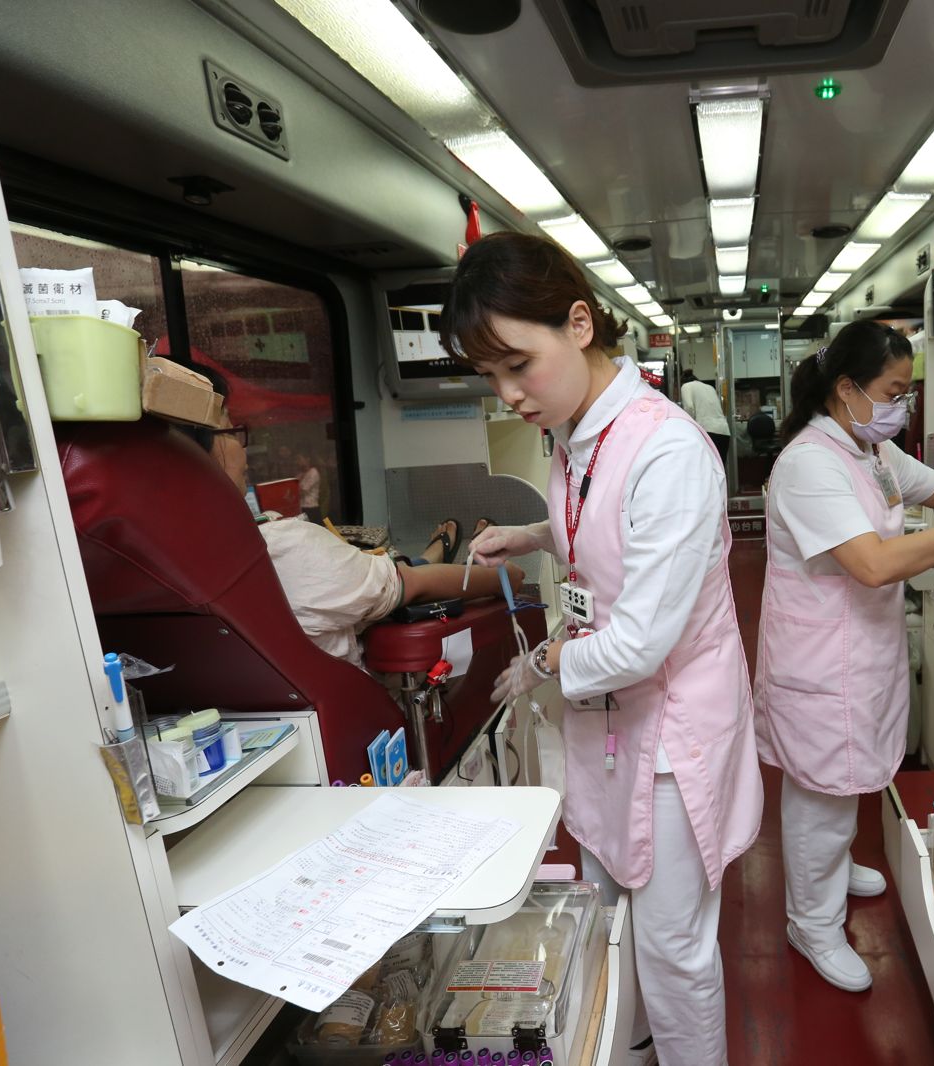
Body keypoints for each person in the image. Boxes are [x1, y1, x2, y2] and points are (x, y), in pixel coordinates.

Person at [455, 232, 762, 1066]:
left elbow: (635, 645)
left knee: (672, 944)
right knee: (604, 911)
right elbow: (598, 528)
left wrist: (542, 663)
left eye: (517, 364)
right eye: (489, 375)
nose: (507, 393)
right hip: (609, 722)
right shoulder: (575, 433)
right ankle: (628, 1041)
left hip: (671, 732)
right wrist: (531, 535)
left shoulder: (667, 451)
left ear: (580, 324)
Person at [753, 321, 934, 993]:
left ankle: (833, 866)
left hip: (860, 650)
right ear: (846, 389)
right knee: (822, 792)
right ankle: (811, 921)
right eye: (893, 391)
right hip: (819, 662)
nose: (900, 405)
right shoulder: (810, 463)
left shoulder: (870, 450)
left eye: (906, 392)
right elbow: (873, 564)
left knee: (848, 779)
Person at [177, 370, 519, 668]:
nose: (242, 447)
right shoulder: (284, 547)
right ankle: (435, 558)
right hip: (358, 698)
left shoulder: (171, 566)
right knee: (400, 576)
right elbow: (410, 586)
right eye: (231, 430)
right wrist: (504, 578)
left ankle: (430, 557)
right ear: (198, 453)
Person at [678, 367, 730, 461]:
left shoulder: (686, 386)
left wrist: (688, 427)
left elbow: (689, 407)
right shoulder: (710, 387)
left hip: (707, 431)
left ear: (682, 382)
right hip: (724, 431)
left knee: (707, 466)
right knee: (720, 466)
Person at [296, 451, 322, 523]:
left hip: (311, 508)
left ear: (307, 459)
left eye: (299, 459)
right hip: (302, 508)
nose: (297, 462)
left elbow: (303, 491)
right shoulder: (300, 474)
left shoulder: (313, 472)